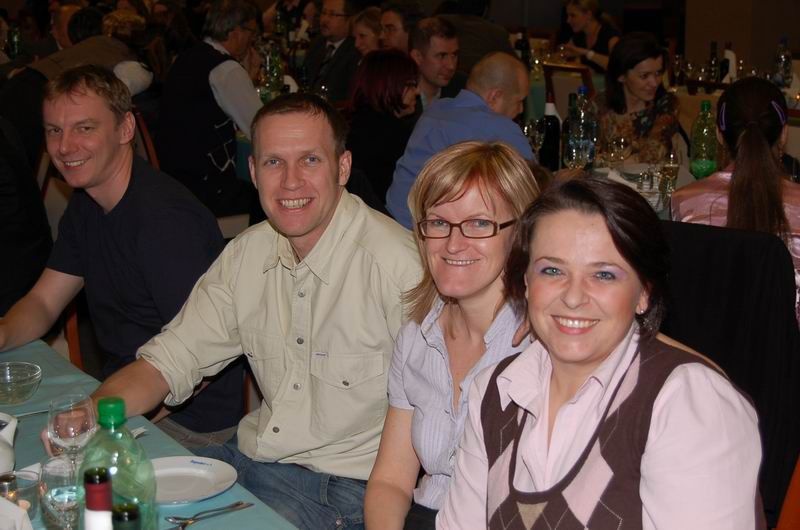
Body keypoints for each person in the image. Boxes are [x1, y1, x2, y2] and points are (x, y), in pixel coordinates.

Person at [90, 93, 422, 530]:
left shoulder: (398, 267)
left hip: (346, 488)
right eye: (273, 162)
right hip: (251, 458)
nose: (290, 182)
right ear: (252, 170)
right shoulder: (247, 254)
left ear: (342, 168)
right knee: (115, 504)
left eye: (310, 160)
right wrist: (90, 415)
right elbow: (168, 360)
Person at [437, 177, 763, 529]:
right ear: (527, 282)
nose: (573, 297)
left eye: (604, 275)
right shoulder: (495, 393)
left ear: (644, 293)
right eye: (552, 270)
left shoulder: (685, 403)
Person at [1, 65, 244, 447]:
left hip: (188, 425)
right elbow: (43, 302)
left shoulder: (166, 223)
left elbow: (201, 362)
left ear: (125, 128)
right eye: (54, 131)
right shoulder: (86, 204)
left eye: (84, 128)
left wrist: (107, 423)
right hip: (119, 395)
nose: (65, 146)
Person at [364, 142, 539, 530]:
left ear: (519, 233)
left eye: (479, 223)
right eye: (439, 223)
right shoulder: (417, 336)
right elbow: (391, 481)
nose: (454, 243)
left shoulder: (543, 343)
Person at [671, 76, 800, 321]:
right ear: (784, 134)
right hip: (790, 342)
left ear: (719, 135)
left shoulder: (684, 201)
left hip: (707, 341)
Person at [386, 51, 533, 229]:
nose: (521, 109)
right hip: (424, 233)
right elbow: (532, 189)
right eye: (519, 101)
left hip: (392, 220)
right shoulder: (500, 127)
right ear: (494, 97)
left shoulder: (435, 109)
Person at [156, 0, 261, 217]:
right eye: (252, 32)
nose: (252, 40)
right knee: (266, 196)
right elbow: (260, 127)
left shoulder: (187, 56)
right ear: (236, 31)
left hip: (173, 177)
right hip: (205, 188)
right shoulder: (226, 69)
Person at [347, 49, 418, 204]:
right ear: (389, 85)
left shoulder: (353, 122)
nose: (416, 92)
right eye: (410, 85)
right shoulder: (396, 134)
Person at [597, 32, 679, 164]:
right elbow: (583, 153)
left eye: (658, 73)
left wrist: (608, 161)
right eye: (644, 76)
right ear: (621, 76)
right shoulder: (600, 103)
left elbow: (653, 153)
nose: (654, 83)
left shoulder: (665, 104)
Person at [435, 0, 513, 78]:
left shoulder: (441, 21)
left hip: (445, 76)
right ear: (486, 10)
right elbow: (514, 63)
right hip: (479, 80)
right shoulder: (496, 32)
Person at [303, 0, 360, 103]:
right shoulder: (317, 44)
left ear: (348, 20)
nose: (325, 19)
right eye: (324, 13)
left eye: (332, 14)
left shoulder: (355, 50)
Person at [409, 16, 464, 111]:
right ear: (417, 57)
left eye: (454, 55)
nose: (451, 66)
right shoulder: (398, 96)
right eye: (442, 56)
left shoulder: (464, 88)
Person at [562, 0, 619, 73]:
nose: (568, 20)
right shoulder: (578, 36)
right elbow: (563, 58)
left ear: (588, 15)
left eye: (573, 15)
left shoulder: (610, 35)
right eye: (567, 16)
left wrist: (587, 53)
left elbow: (616, 67)